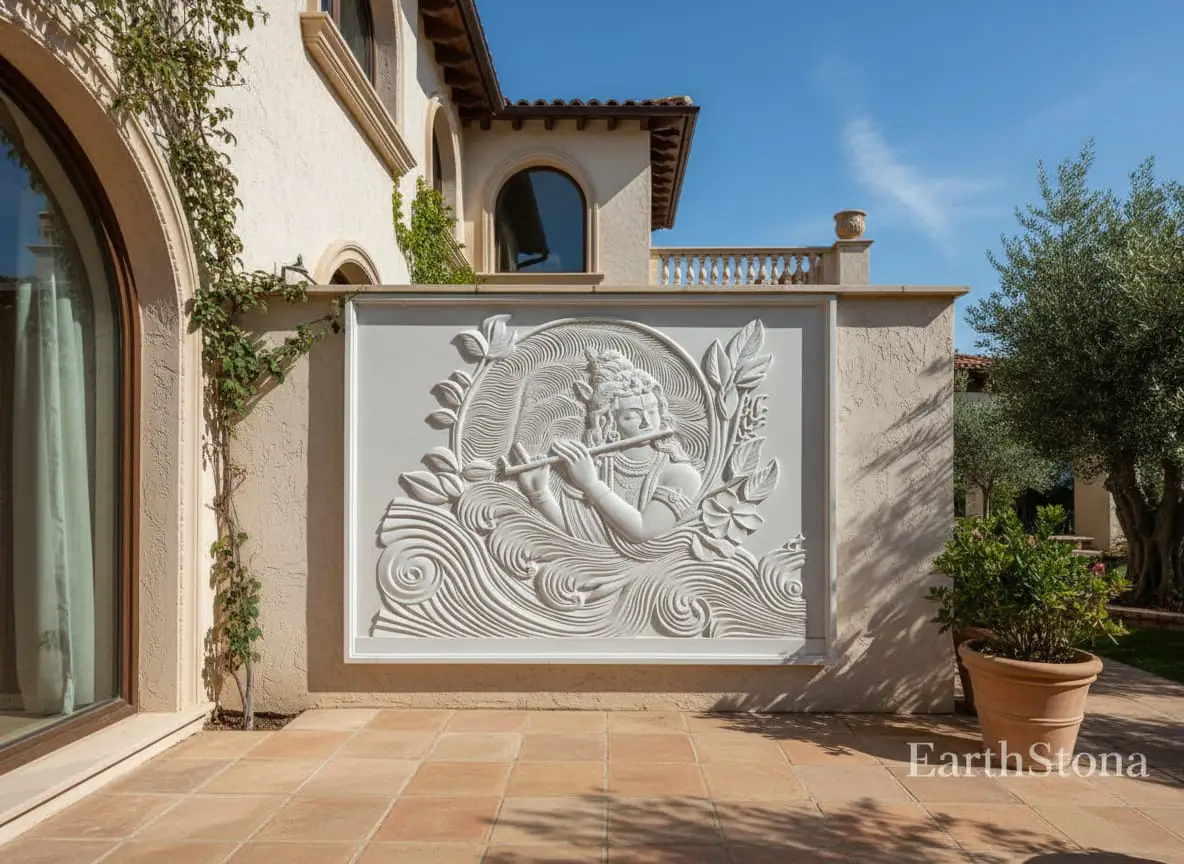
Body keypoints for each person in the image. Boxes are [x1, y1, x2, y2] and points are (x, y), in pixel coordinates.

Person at [509, 349, 701, 544]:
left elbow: (642, 533)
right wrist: (539, 493)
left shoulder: (682, 475)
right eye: (632, 416)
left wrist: (591, 485)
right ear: (609, 421)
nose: (647, 423)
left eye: (652, 411)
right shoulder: (597, 466)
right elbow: (586, 539)